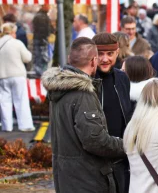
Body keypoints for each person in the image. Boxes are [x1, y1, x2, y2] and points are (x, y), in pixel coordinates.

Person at [42, 37, 126, 193]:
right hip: (87, 180)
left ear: (69, 59)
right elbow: (95, 141)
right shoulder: (83, 94)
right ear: (94, 61)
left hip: (67, 178)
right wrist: (127, 145)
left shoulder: (59, 89)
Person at [93, 33, 134, 193]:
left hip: (121, 159)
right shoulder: (87, 80)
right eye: (100, 54)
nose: (105, 59)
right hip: (96, 160)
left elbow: (127, 113)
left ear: (117, 53)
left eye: (109, 54)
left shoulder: (122, 78)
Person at [0, 22, 34, 131]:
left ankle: (7, 127)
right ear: (12, 32)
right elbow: (27, 58)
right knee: (21, 100)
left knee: (5, 101)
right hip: (17, 76)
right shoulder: (17, 43)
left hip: (2, 76)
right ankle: (25, 125)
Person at [31, 6, 53, 77]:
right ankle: (41, 73)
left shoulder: (40, 15)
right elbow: (46, 30)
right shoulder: (42, 17)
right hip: (41, 40)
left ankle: (39, 72)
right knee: (42, 57)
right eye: (48, 6)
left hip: (39, 39)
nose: (49, 7)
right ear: (44, 7)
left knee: (39, 57)